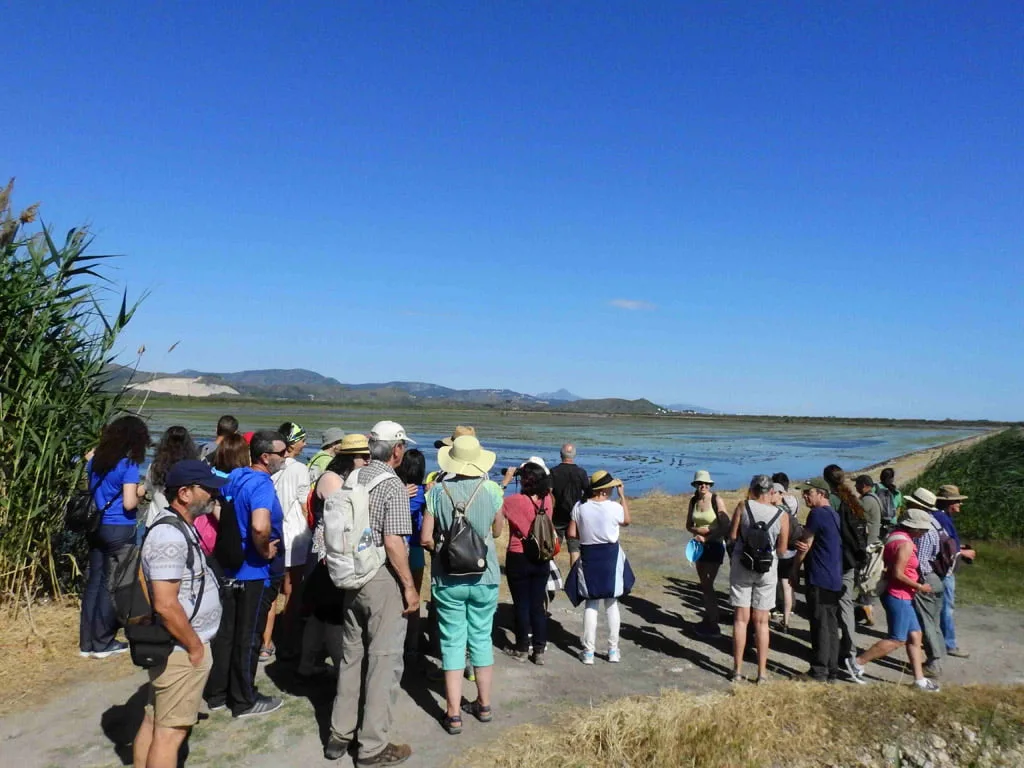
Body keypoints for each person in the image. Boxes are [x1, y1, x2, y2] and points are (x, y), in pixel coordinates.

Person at [325, 421, 418, 765]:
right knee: (384, 661)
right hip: (380, 577)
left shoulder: (354, 475)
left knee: (351, 658)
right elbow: (393, 541)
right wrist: (409, 586)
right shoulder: (392, 485)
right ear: (396, 450)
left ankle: (339, 734)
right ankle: (373, 746)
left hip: (351, 575)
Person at [132, 460, 226, 768]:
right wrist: (194, 646)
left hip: (178, 646)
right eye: (207, 489)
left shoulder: (177, 524)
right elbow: (165, 603)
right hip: (181, 649)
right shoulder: (169, 536)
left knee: (155, 720)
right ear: (185, 493)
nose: (214, 494)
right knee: (170, 733)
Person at [419, 435, 504, 735]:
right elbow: (497, 530)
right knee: (481, 637)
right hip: (485, 575)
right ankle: (483, 704)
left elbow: (426, 538)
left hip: (447, 577)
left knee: (452, 641)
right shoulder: (492, 489)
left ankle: (453, 713)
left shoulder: (436, 492)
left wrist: (443, 551)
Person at [204, 430, 286, 718]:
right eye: (281, 453)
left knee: (227, 632)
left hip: (230, 566)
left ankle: (217, 693)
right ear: (266, 457)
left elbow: (217, 505)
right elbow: (261, 526)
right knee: (249, 635)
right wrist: (264, 551)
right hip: (253, 570)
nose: (285, 457)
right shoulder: (262, 484)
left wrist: (234, 535)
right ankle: (243, 700)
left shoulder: (236, 476)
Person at [302, 434, 371, 677]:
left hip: (330, 553)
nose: (367, 460)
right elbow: (342, 518)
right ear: (351, 458)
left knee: (320, 614)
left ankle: (307, 665)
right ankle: (342, 669)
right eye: (364, 456)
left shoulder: (341, 478)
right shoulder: (332, 479)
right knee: (332, 613)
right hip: (328, 555)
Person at [80, 415, 149, 659]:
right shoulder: (128, 465)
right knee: (115, 585)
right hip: (119, 527)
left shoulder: (95, 462)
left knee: (94, 583)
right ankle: (103, 642)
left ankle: (87, 643)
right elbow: (130, 503)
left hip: (96, 526)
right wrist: (141, 491)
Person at [849, 508, 940, 692]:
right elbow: (898, 574)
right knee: (897, 639)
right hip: (899, 595)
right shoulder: (905, 544)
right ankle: (857, 662)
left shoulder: (894, 536)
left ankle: (919, 680)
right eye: (921, 529)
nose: (923, 533)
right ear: (913, 527)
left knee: (915, 636)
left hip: (898, 594)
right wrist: (920, 587)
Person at [565, 471, 634, 665]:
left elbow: (571, 533)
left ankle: (588, 652)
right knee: (612, 603)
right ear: (604, 490)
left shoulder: (580, 506)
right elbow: (627, 520)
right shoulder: (614, 507)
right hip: (610, 555)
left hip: (589, 555)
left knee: (591, 603)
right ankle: (613, 650)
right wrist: (622, 497)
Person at [727, 474, 789, 684]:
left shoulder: (743, 506)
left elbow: (733, 536)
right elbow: (781, 550)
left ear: (752, 490)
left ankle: (737, 670)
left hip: (742, 564)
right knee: (762, 622)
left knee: (740, 620)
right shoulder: (781, 515)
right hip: (766, 568)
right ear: (771, 492)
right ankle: (762, 673)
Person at [265, 421, 311, 661]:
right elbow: (305, 506)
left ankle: (266, 640)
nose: (305, 444)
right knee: (292, 590)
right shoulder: (300, 469)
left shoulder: (271, 466)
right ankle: (289, 638)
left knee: (271, 589)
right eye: (302, 439)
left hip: (272, 532)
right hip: (294, 535)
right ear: (292, 443)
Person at [501, 462, 555, 664]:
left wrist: (506, 481)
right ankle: (539, 649)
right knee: (537, 605)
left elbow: (495, 501)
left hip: (519, 554)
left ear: (525, 481)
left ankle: (523, 647)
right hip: (542, 556)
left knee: (521, 604)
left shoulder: (514, 501)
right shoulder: (547, 500)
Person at [790, 480, 843, 682]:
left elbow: (806, 543)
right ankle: (832, 670)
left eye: (808, 492)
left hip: (820, 577)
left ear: (821, 494)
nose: (805, 496)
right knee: (830, 624)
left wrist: (795, 569)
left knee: (820, 624)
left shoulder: (817, 514)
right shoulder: (834, 514)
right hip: (834, 577)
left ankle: (819, 671)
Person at [823, 464, 867, 679]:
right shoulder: (852, 499)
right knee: (846, 603)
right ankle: (848, 649)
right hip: (851, 559)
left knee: (833, 605)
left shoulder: (833, 500)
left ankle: (844, 651)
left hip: (837, 559)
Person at [905, 488, 946, 678]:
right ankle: (938, 658)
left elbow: (920, 561)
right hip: (936, 576)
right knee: (934, 620)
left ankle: (934, 662)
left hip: (925, 579)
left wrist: (916, 584)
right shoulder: (936, 523)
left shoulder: (924, 529)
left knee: (926, 621)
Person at [684, 470, 729, 636]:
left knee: (708, 584)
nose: (703, 486)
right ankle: (710, 618)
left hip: (715, 545)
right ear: (695, 485)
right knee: (704, 584)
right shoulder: (693, 501)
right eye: (700, 483)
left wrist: (707, 537)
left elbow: (726, 526)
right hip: (698, 546)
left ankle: (713, 623)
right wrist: (697, 531)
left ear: (710, 485)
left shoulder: (716, 500)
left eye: (706, 483)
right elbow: (688, 524)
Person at [933, 485, 974, 659]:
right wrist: (963, 552)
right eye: (957, 501)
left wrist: (960, 547)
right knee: (946, 608)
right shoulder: (942, 518)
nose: (959, 505)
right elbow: (943, 546)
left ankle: (937, 639)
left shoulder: (941, 517)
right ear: (949, 503)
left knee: (939, 606)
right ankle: (949, 644)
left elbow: (946, 542)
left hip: (943, 569)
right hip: (944, 571)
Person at [396, 448, 427, 661]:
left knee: (395, 597)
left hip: (396, 546)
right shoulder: (424, 493)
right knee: (414, 597)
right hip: (415, 548)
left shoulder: (395, 489)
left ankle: (395, 642)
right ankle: (412, 645)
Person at [142, 426, 199, 532]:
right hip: (182, 524)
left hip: (154, 523)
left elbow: (146, 487)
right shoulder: (192, 468)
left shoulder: (155, 467)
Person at [549, 443, 589, 566]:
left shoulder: (553, 472)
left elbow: (548, 493)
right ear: (574, 455)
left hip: (557, 515)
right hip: (575, 516)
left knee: (552, 548)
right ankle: (574, 578)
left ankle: (549, 577)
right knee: (575, 549)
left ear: (561, 455)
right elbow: (588, 492)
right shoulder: (581, 472)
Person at [854, 474, 884, 627]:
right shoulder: (875, 498)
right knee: (868, 576)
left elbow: (855, 515)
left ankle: (866, 607)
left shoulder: (867, 500)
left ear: (865, 485)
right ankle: (865, 606)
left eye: (858, 484)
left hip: (868, 543)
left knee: (864, 576)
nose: (855, 487)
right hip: (874, 540)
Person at [771, 474, 800, 632]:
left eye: (773, 492)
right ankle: (786, 620)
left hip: (779, 552)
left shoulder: (775, 511)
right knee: (786, 587)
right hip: (790, 551)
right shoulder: (790, 507)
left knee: (774, 583)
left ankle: (773, 611)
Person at [875, 467, 903, 534]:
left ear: (881, 477)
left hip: (878, 522)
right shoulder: (897, 492)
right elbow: (898, 510)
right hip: (892, 523)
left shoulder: (875, 488)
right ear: (892, 479)